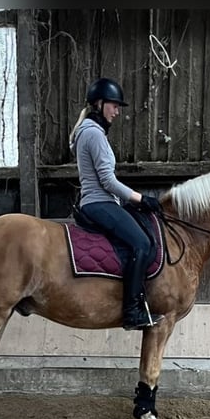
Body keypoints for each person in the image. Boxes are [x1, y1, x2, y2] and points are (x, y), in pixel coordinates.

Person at [68, 77, 164, 331]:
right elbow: (108, 181)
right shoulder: (93, 133)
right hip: (99, 202)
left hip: (102, 201)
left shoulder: (90, 132)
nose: (118, 112)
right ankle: (132, 311)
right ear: (99, 104)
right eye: (114, 105)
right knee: (142, 243)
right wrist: (141, 199)